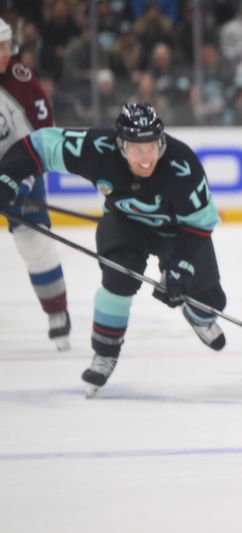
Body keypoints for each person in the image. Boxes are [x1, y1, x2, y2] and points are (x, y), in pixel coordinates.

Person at [0, 103, 227, 397]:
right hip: (124, 223)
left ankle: (200, 316)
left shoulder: (182, 164)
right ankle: (105, 353)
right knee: (119, 276)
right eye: (136, 148)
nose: (146, 158)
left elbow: (200, 224)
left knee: (208, 298)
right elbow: (40, 145)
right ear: (120, 145)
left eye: (152, 146)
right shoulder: (97, 148)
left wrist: (180, 267)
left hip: (178, 232)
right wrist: (6, 177)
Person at [0, 16, 71, 351]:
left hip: (18, 170)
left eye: (6, 45)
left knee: (36, 246)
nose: (6, 53)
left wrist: (22, 180)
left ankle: (57, 312)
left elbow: (43, 138)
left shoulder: (22, 81)